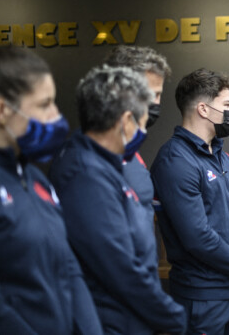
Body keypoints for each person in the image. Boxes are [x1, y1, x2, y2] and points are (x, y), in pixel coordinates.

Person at [49, 65, 187, 334]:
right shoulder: (85, 173)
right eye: (143, 121)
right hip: (113, 320)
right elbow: (118, 265)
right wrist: (171, 315)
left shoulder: (110, 163)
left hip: (131, 316)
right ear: (125, 121)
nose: (144, 130)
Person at [0, 45, 101, 334]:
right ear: (1, 110)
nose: (56, 115)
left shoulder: (36, 179)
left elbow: (68, 267)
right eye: (44, 104)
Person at [150, 68, 229, 334]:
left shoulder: (224, 159)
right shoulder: (174, 161)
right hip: (203, 296)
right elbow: (196, 235)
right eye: (226, 105)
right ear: (203, 109)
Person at [103, 45, 172, 204]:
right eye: (151, 94)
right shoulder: (90, 161)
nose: (156, 103)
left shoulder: (130, 147)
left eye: (158, 95)